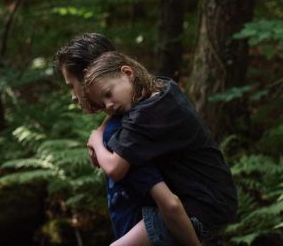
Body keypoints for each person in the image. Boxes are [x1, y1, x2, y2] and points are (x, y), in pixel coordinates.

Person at [54, 33, 201, 245]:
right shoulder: (149, 107)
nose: (73, 96)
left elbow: (167, 203)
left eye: (71, 85)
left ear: (89, 77)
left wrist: (99, 137)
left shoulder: (125, 136)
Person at [84, 51, 238, 245]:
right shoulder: (164, 89)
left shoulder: (144, 117)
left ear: (128, 73)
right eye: (102, 104)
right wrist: (103, 126)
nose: (109, 105)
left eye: (108, 94)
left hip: (202, 209)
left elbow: (115, 169)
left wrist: (96, 140)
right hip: (220, 198)